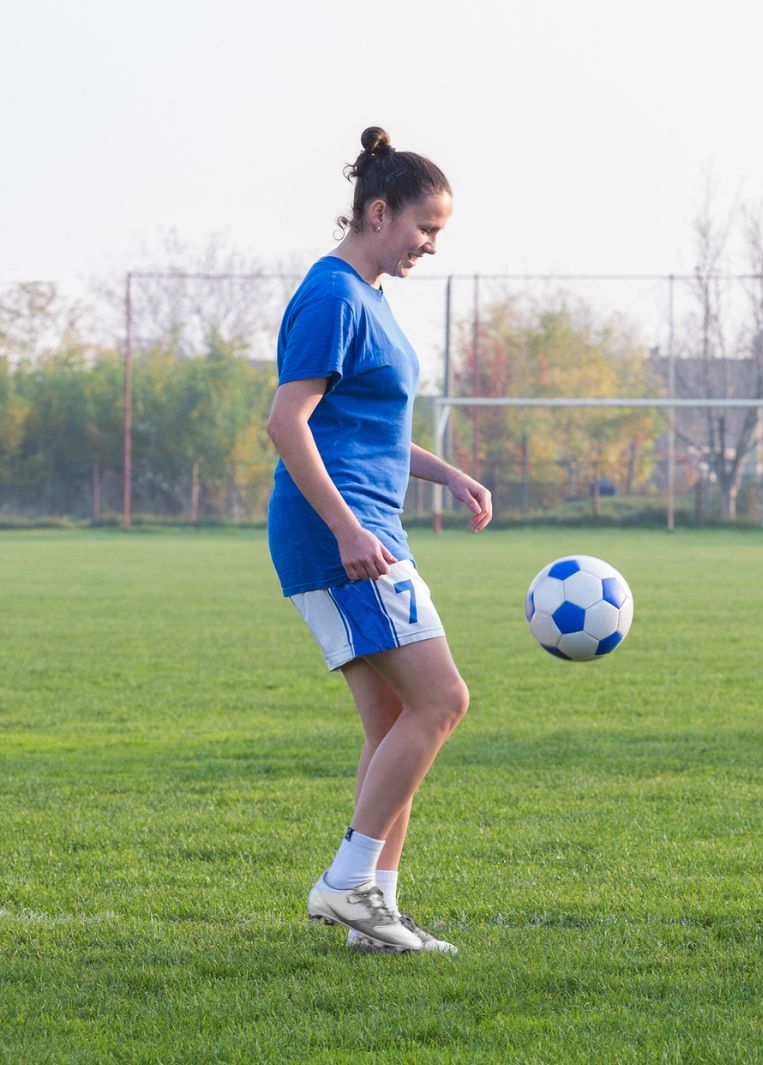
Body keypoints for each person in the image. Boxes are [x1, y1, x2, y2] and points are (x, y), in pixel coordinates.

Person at [265, 126, 492, 954]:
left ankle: (375, 912)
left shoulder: (366, 298)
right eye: (424, 229)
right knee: (443, 700)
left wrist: (451, 476)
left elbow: (372, 432)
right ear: (377, 211)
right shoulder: (331, 295)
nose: (430, 246)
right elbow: (286, 424)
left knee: (395, 718)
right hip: (344, 534)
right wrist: (348, 526)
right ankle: (348, 882)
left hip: (366, 524)